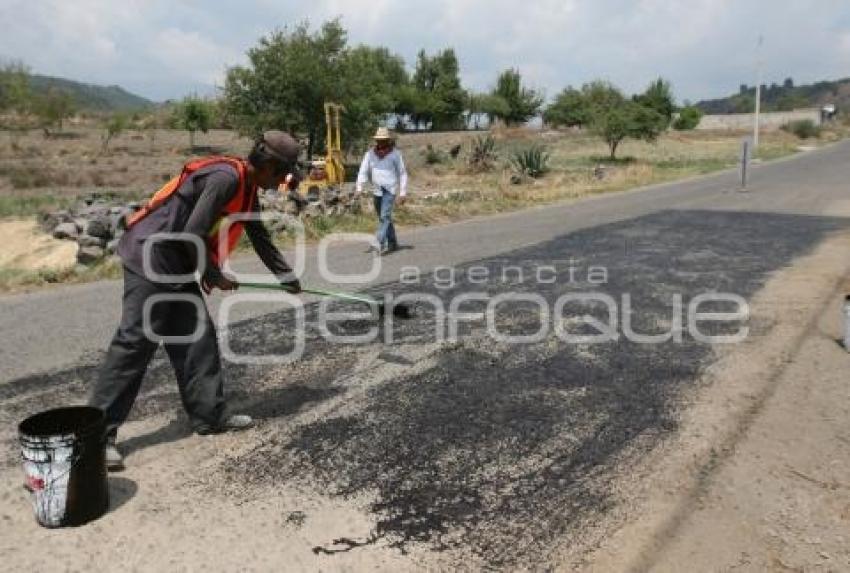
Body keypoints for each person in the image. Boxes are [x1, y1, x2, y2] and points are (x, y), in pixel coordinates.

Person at [90, 131, 303, 470]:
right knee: (136, 340)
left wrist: (286, 276)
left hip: (175, 261)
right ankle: (97, 439)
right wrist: (213, 272)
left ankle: (210, 417)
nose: (282, 183)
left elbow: (258, 235)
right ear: (271, 167)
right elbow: (192, 230)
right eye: (284, 175)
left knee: (196, 338)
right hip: (152, 254)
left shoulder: (248, 189)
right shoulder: (225, 178)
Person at [356, 127, 408, 255]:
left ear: (388, 140)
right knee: (384, 217)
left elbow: (402, 173)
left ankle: (378, 243)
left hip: (389, 190)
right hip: (377, 190)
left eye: (383, 140)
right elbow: (363, 170)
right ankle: (393, 242)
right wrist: (359, 188)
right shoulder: (370, 154)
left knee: (384, 217)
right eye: (379, 140)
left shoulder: (395, 154)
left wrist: (402, 193)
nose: (381, 142)